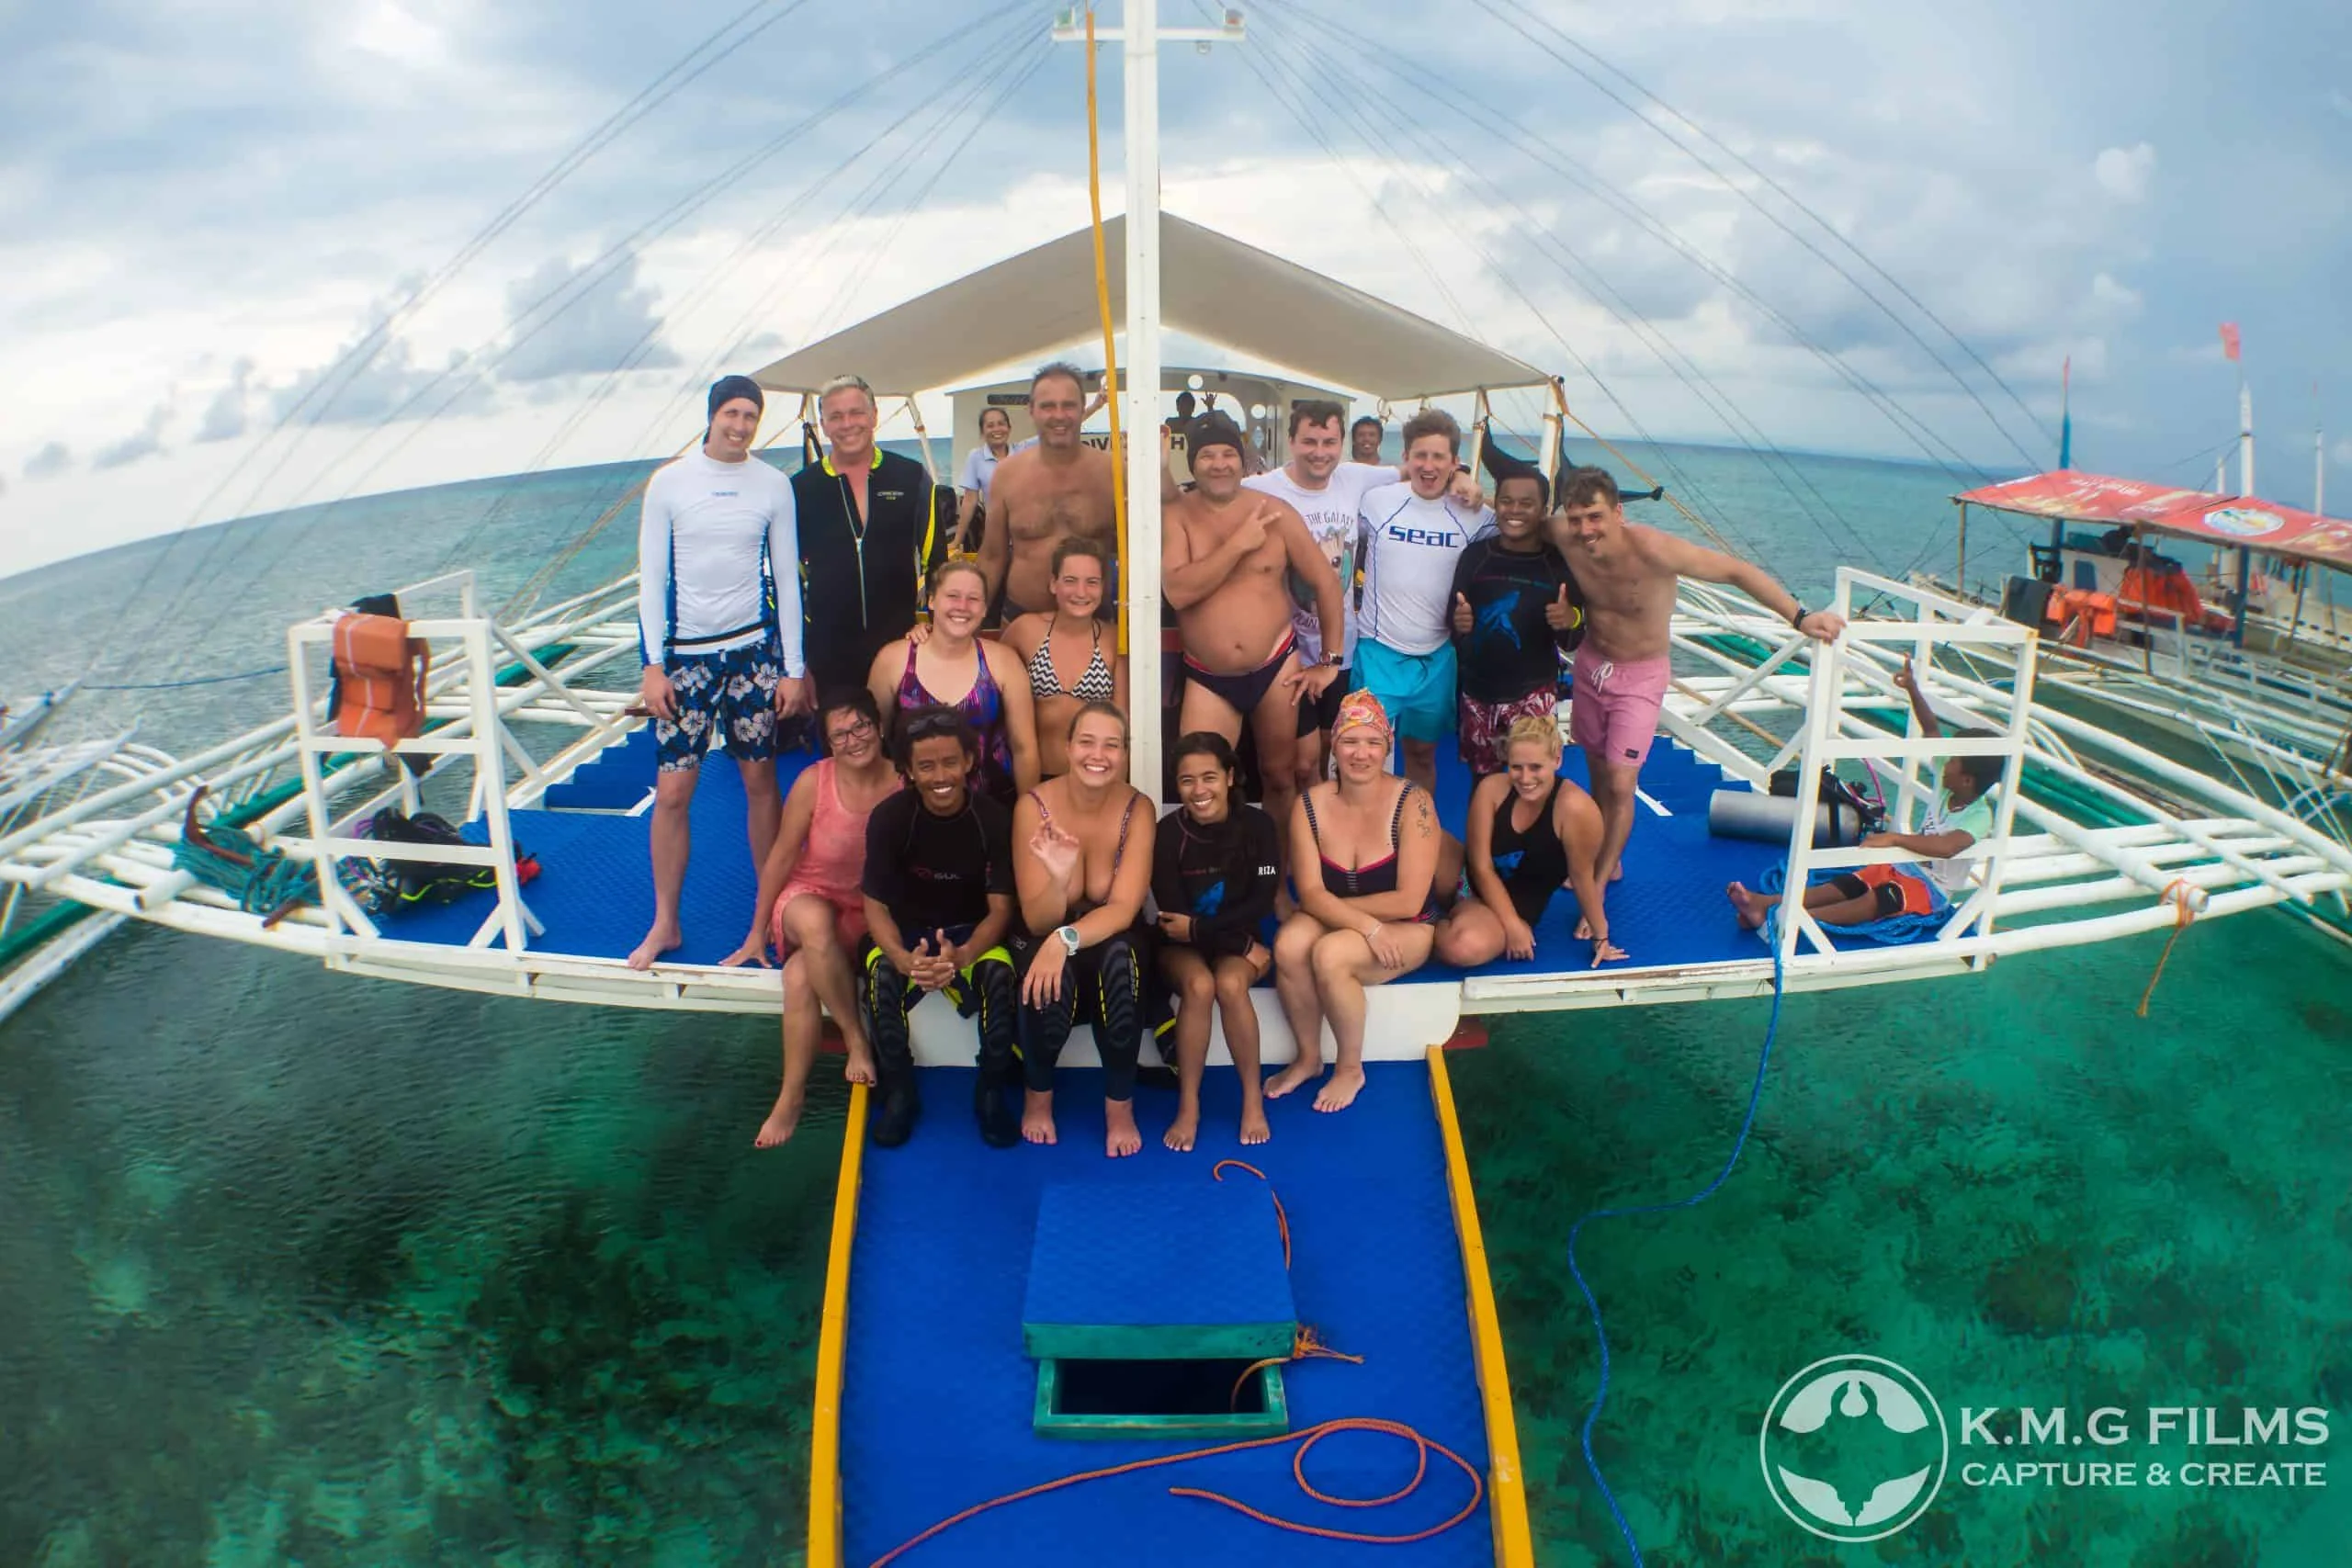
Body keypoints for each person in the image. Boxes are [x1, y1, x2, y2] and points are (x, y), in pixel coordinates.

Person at [1552, 465, 1845, 887]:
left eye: (1594, 517)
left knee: (1621, 781)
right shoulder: (1563, 534)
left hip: (1640, 675)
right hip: (1592, 666)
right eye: (1575, 519)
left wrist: (1800, 618)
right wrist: (1463, 490)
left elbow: (1736, 572)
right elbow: (1512, 515)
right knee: (1597, 773)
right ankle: (1606, 857)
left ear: (1618, 512)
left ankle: (1597, 880)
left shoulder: (1654, 550)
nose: (1584, 529)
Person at [629, 374, 811, 969]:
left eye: (750, 416)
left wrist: (792, 668)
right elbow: (651, 578)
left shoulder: (773, 484)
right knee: (674, 791)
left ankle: (773, 911)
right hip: (685, 659)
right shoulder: (670, 483)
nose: (740, 425)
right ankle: (666, 921)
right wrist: (652, 666)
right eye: (731, 413)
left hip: (751, 655)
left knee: (761, 783)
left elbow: (786, 579)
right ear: (711, 415)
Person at [722, 690, 902, 1146]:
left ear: (879, 727)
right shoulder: (813, 781)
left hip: (870, 908)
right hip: (810, 895)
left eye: (861, 726)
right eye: (839, 734)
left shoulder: (904, 781)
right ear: (828, 743)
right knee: (816, 928)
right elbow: (782, 857)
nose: (854, 739)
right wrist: (757, 930)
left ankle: (792, 1096)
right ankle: (855, 1039)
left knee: (800, 975)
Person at [1163, 412, 1345, 860]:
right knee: (1202, 779)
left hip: (1275, 665)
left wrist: (1330, 660)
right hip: (1208, 676)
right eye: (1208, 455)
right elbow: (1180, 591)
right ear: (1193, 463)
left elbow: (1325, 583)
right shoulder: (1176, 517)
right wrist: (1238, 546)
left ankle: (1278, 878)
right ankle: (1218, 875)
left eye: (1228, 454)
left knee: (1280, 776)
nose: (1219, 463)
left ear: (1243, 461)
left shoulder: (1276, 514)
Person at [1728, 657, 1997, 931]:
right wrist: (1913, 689)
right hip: (1906, 867)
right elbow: (1931, 729)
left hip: (1932, 891)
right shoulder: (1948, 780)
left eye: (1953, 760)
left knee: (1879, 900)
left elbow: (1948, 847)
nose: (1945, 761)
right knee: (1852, 883)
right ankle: (1769, 902)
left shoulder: (1979, 816)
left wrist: (1893, 837)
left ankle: (1779, 918)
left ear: (1966, 779)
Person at [1268, 691, 1440, 1113]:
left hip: (1408, 925)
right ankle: (1309, 1057)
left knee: (1330, 954)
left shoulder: (1413, 802)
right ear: (1334, 747)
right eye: (1350, 741)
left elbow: (1409, 899)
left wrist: (1358, 922)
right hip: (1351, 918)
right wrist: (1366, 926)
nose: (1360, 754)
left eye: (1372, 743)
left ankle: (1349, 1067)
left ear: (1387, 748)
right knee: (1289, 945)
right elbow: (1308, 892)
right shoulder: (1310, 805)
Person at [859, 706, 1022, 1147]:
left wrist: (964, 956)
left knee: (1000, 976)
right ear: (908, 771)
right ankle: (900, 1093)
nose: (940, 776)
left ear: (970, 761)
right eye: (926, 766)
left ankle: (990, 1093)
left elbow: (1001, 909)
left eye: (950, 762)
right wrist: (903, 958)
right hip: (908, 934)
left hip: (972, 934)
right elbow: (874, 905)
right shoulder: (890, 818)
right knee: (879, 977)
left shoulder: (993, 819)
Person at [1012, 702, 1157, 1157]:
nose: (1099, 755)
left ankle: (1119, 1105)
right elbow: (1037, 921)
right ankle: (1038, 1095)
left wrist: (1065, 939)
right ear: (1068, 747)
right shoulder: (1033, 807)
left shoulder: (1138, 809)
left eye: (1112, 745)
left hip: (1102, 931)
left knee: (1122, 961)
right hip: (1044, 926)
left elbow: (1125, 908)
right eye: (1088, 742)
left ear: (1125, 753)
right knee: (1046, 974)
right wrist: (1057, 880)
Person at [792, 373, 956, 702]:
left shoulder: (910, 476)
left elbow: (936, 561)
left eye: (856, 413)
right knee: (844, 746)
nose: (847, 424)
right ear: (823, 424)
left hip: (901, 644)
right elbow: (790, 578)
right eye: (836, 416)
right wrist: (798, 662)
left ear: (874, 416)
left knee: (905, 744)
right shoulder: (801, 488)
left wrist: (933, 625)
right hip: (829, 654)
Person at [1152, 732, 1281, 1151]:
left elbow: (1262, 901)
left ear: (1229, 776)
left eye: (1209, 777)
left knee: (1228, 983)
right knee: (1199, 985)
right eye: (1187, 780)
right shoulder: (1167, 834)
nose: (1198, 790)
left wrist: (1220, 937)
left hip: (1237, 940)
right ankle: (1189, 1105)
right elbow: (1174, 919)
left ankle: (1251, 1100)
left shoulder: (1259, 827)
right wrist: (1228, 942)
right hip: (1183, 947)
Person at [1355, 409, 1493, 794]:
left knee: (1421, 755)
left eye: (1438, 457)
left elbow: (1523, 523)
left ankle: (1418, 836)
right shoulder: (1376, 501)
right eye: (1420, 455)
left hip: (1436, 657)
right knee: (1363, 756)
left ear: (1454, 461)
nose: (1428, 466)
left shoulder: (1474, 514)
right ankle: (1366, 844)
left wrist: (1470, 483)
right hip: (1378, 652)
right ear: (1406, 458)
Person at [1434, 714, 1621, 968]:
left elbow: (1582, 878)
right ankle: (1417, 910)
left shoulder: (1577, 811)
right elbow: (1480, 865)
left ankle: (1428, 928)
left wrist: (1602, 936)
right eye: (1516, 767)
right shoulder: (1491, 789)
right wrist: (1510, 926)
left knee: (1462, 948)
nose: (1525, 778)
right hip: (1466, 880)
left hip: (1506, 909)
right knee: (1422, 834)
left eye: (1536, 767)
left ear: (1557, 760)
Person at [1448, 462, 1583, 775]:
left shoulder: (1557, 563)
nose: (1514, 511)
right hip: (1478, 694)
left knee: (1532, 784)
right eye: (1507, 501)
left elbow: (1574, 637)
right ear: (1496, 502)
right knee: (1483, 784)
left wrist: (1570, 619)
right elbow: (1453, 625)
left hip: (1532, 694)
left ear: (1543, 508)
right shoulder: (1475, 556)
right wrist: (1460, 624)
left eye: (1526, 503)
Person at [867, 559, 1038, 805]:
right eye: (953, 596)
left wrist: (1028, 814)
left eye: (973, 599)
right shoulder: (893, 660)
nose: (962, 606)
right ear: (932, 600)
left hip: (993, 803)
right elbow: (876, 739)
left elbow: (1025, 749)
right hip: (916, 805)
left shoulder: (1004, 662)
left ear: (984, 609)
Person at [979, 362, 1120, 621]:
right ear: (1031, 410)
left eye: (1068, 405)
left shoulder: (1113, 472)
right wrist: (971, 620)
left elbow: (1139, 553)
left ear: (1082, 408)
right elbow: (992, 556)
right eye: (1047, 406)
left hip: (1094, 621)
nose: (1059, 415)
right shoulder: (1007, 475)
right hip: (1022, 618)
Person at [1001, 537, 1126, 779]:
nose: (1081, 592)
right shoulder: (1026, 631)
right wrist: (926, 634)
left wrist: (1116, 796)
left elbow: (1121, 732)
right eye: (1070, 581)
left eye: (1092, 582)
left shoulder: (1113, 640)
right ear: (1053, 584)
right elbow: (982, 668)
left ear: (1103, 587)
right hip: (1038, 778)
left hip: (1095, 780)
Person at [951, 404, 1015, 555]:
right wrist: (957, 540)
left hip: (1027, 537)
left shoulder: (1023, 451)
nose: (997, 429)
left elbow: (1054, 432)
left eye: (1001, 424)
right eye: (990, 425)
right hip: (995, 538)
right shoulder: (976, 457)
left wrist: (1081, 415)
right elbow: (969, 501)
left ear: (1009, 428)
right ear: (982, 431)